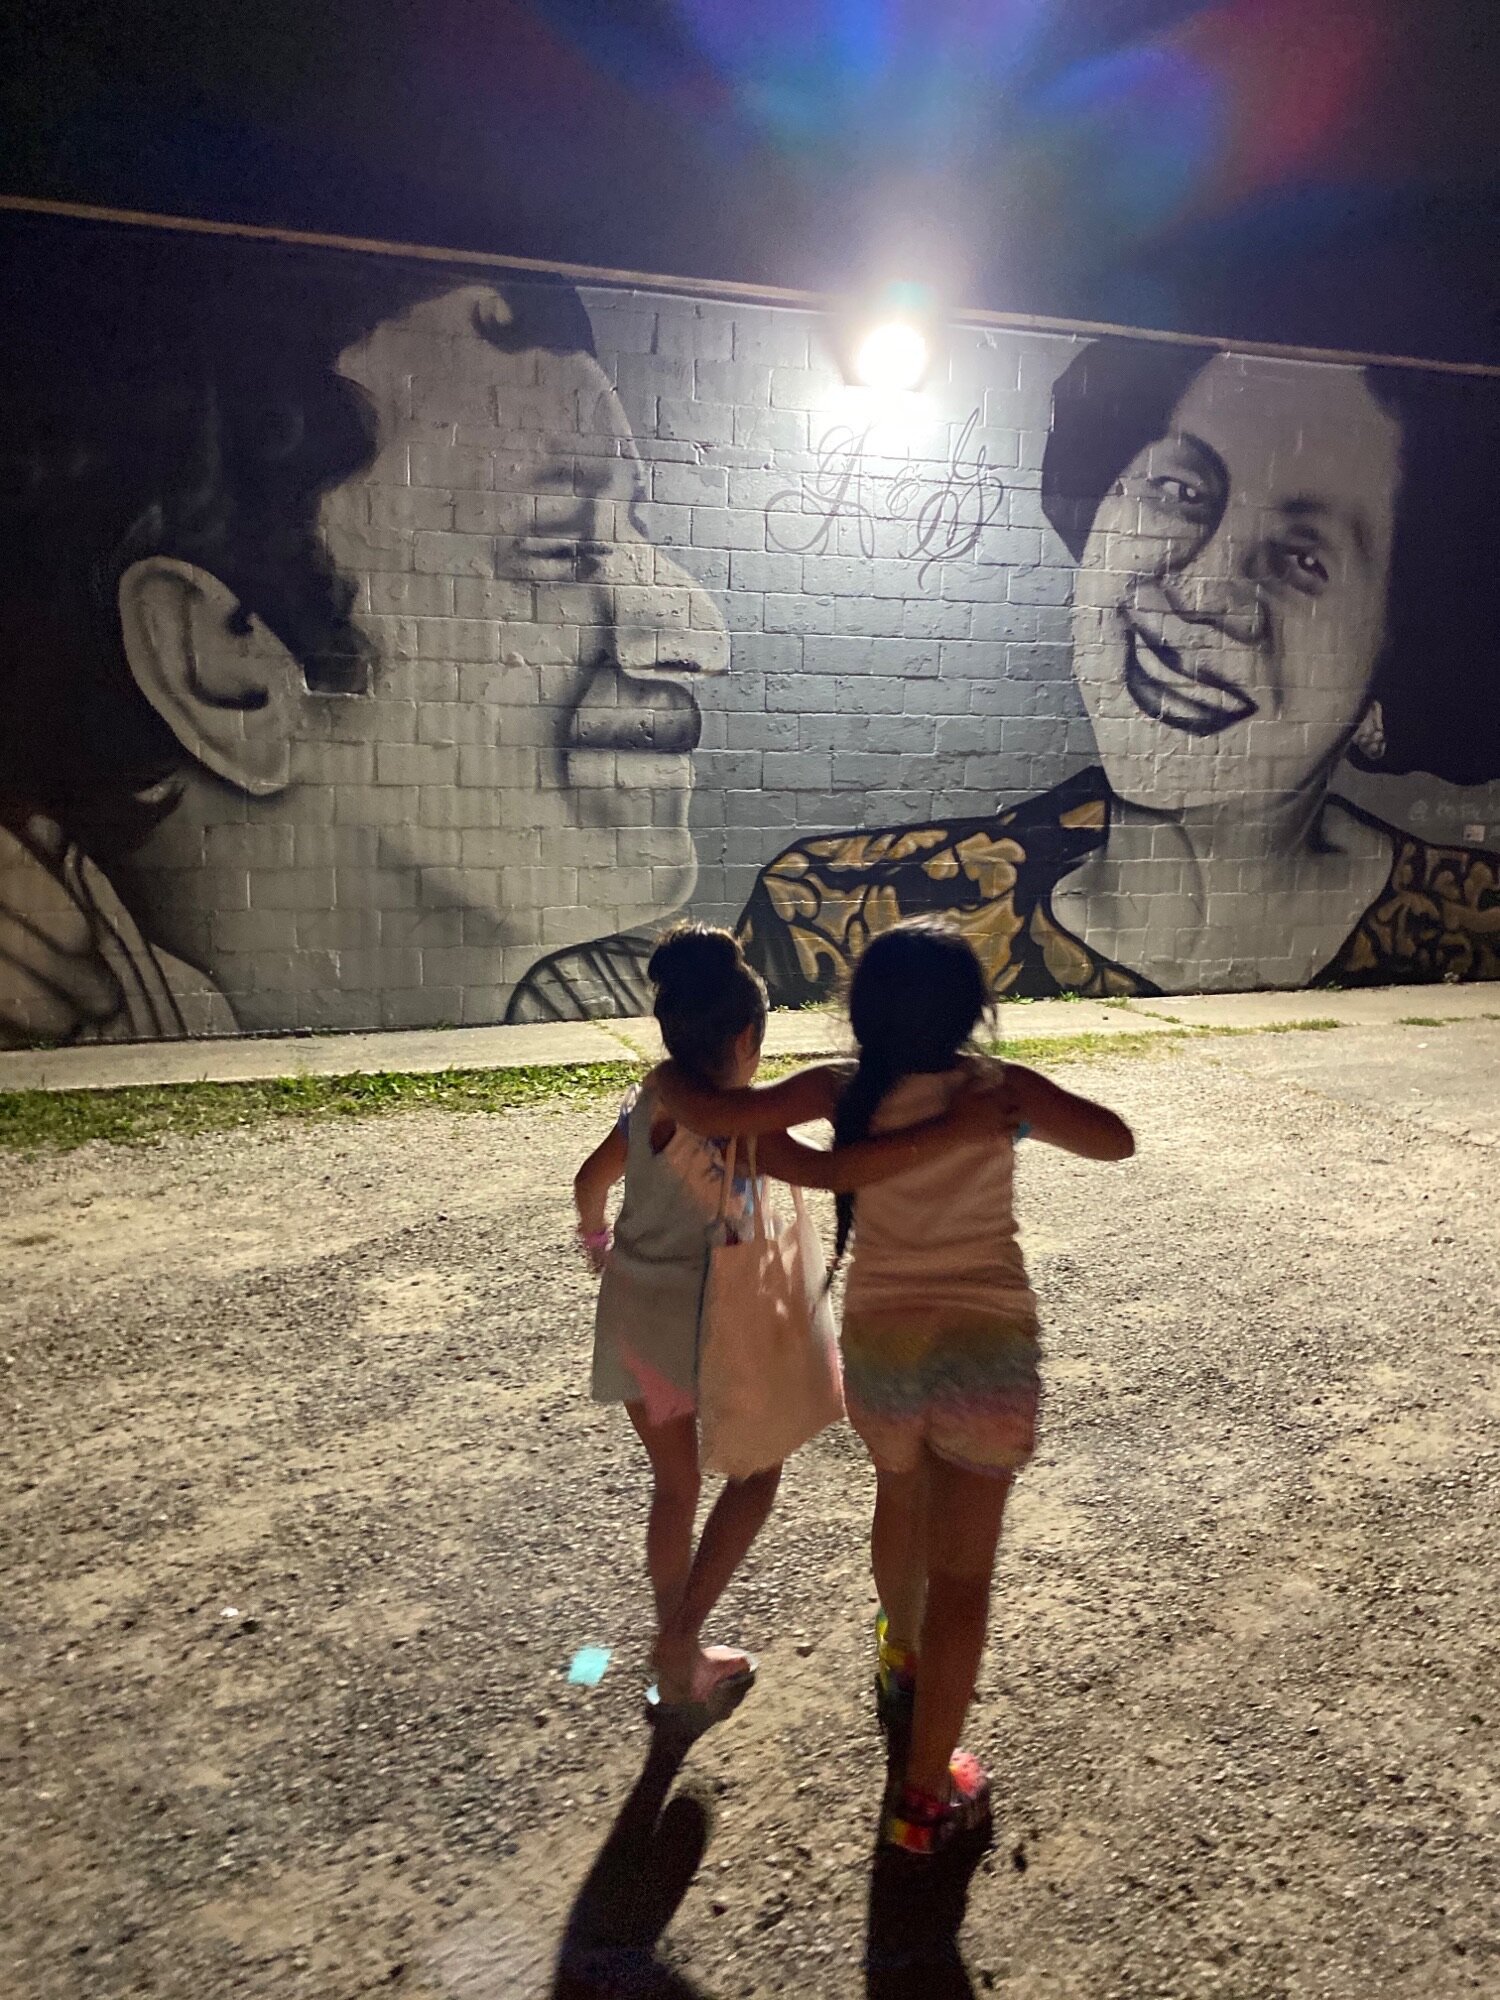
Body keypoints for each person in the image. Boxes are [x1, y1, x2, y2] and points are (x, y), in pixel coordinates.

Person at [0, 212, 727, 1045]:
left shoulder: (624, 996)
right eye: (559, 542)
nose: (696, 629)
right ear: (222, 668)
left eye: (633, 530)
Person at [739, 341, 1499, 1002]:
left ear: (1391, 681)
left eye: (1304, 559)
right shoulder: (836, 921)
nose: (1201, 592)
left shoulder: (1470, 924)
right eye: (1177, 490)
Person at [651, 918, 1134, 1852]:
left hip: (880, 1348)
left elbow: (709, 1111)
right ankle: (922, 1799)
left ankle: (899, 1658)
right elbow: (1115, 1142)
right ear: (972, 1010)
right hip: (984, 1352)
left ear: (860, 1010)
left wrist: (673, 1070)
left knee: (899, 1494)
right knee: (965, 1579)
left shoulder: (842, 1088)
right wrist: (1018, 1112)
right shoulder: (996, 1092)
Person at [572, 923, 1019, 1734]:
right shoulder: (742, 1122)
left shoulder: (649, 1105)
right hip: (702, 1330)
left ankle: (681, 1661)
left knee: (674, 1488)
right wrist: (938, 1137)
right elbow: (822, 1168)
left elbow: (588, 1183)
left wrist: (598, 1239)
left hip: (636, 1319)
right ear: (747, 1038)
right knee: (758, 1475)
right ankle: (678, 1644)